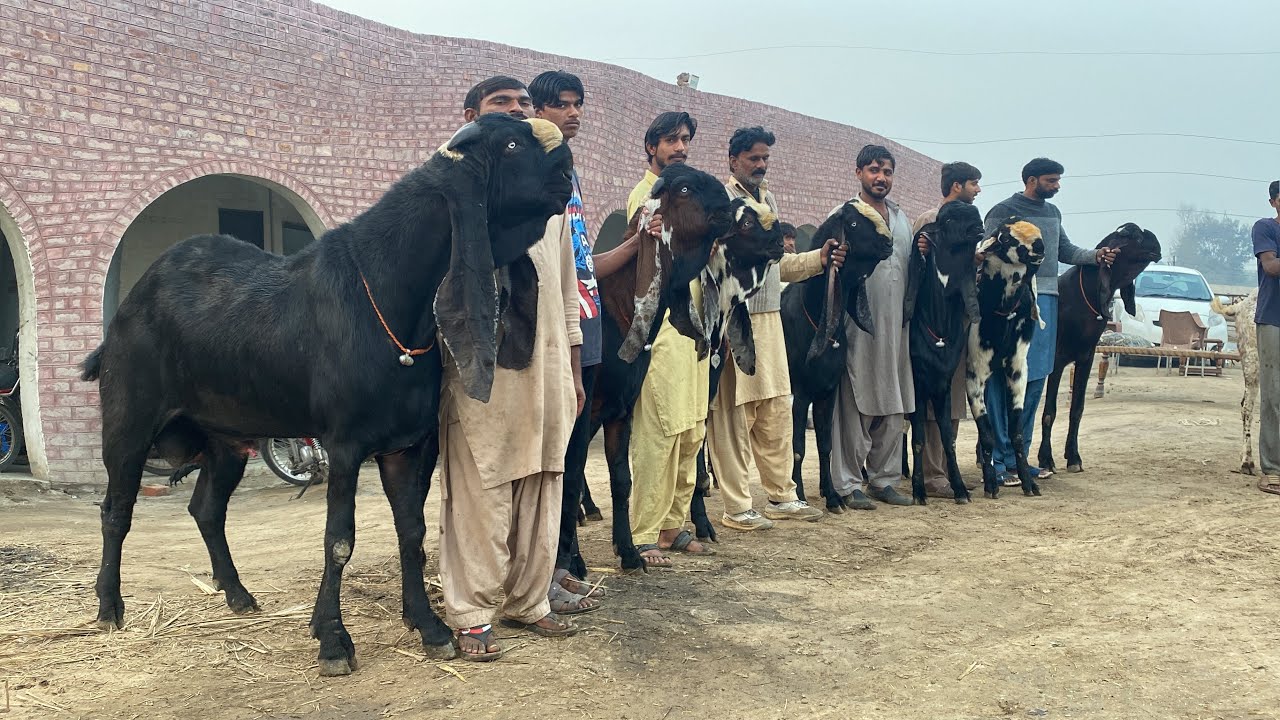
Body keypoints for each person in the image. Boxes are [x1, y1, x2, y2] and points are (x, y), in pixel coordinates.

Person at [435, 76, 585, 662]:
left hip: (547, 364)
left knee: (544, 479)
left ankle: (529, 600)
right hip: (483, 364)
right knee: (483, 484)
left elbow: (569, 290)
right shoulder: (453, 184)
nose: (518, 112)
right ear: (471, 115)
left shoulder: (549, 195)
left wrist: (572, 368)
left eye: (524, 104)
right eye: (502, 104)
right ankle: (473, 611)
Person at [708, 126, 842, 531]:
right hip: (734, 320)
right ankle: (736, 507)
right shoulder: (721, 203)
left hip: (770, 320)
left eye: (765, 159)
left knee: (778, 408)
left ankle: (782, 495)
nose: (761, 165)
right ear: (733, 161)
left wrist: (818, 258)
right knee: (734, 414)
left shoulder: (769, 201)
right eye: (754, 159)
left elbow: (775, 267)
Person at [981, 158, 1115, 487]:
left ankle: (1019, 457)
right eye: (1052, 181)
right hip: (1007, 302)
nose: (1057, 186)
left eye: (1057, 181)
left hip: (1047, 301)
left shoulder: (1053, 214)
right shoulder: (1001, 211)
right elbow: (985, 254)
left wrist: (1095, 256)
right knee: (1000, 378)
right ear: (1031, 180)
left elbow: (1065, 250)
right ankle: (998, 459)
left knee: (1036, 376)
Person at [530, 70, 606, 613]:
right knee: (544, 455)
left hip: (582, 318)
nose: (572, 113)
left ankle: (558, 562)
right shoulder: (530, 166)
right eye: (562, 104)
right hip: (546, 325)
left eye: (577, 104)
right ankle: (535, 575)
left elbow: (579, 257)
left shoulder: (568, 168)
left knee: (571, 455)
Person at [624, 111, 715, 568]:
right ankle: (641, 533)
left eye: (684, 140)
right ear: (650, 146)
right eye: (670, 140)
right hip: (660, 331)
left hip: (695, 329)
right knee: (659, 430)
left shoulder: (692, 196)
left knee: (692, 428)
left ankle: (672, 526)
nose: (679, 147)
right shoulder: (647, 197)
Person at [829, 145, 915, 509]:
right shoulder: (844, 216)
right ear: (858, 173)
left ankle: (884, 479)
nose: (881, 178)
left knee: (896, 404)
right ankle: (848, 483)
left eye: (887, 171)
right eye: (873, 170)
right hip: (858, 325)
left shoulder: (901, 219)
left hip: (898, 329)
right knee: (855, 402)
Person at [911, 162, 982, 498]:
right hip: (930, 327)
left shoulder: (971, 224)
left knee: (953, 398)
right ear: (956, 186)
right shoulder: (929, 221)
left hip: (957, 325)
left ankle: (947, 468)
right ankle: (931, 474)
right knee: (928, 402)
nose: (977, 190)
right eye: (973, 184)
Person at [1252, 180, 1280, 495]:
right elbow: (1271, 266)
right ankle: (1273, 469)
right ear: (1273, 201)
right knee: (1274, 396)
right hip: (1273, 319)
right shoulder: (1265, 228)